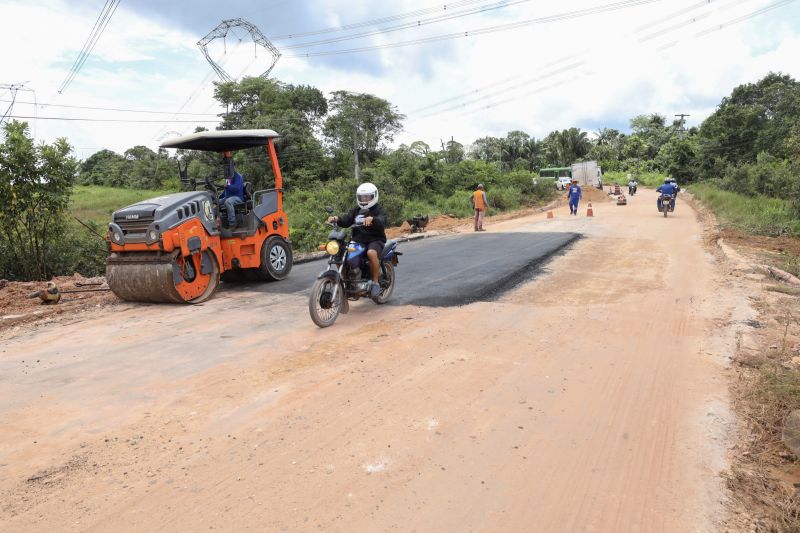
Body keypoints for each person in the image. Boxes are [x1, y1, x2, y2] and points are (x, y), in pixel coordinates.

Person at [327, 182, 387, 299]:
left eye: (367, 197)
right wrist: (336, 218)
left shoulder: (378, 209)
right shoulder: (357, 209)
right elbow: (347, 220)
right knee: (340, 254)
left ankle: (375, 282)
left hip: (375, 239)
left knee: (371, 253)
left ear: (374, 196)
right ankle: (346, 280)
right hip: (358, 240)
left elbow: (382, 220)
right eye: (362, 197)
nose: (364, 199)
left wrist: (373, 219)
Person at [218, 156, 244, 228]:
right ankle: (217, 222)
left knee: (228, 202)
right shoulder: (228, 178)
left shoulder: (238, 177)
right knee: (215, 202)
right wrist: (218, 197)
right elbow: (226, 191)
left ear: (233, 167)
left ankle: (232, 223)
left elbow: (236, 189)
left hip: (237, 197)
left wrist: (227, 186)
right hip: (228, 197)